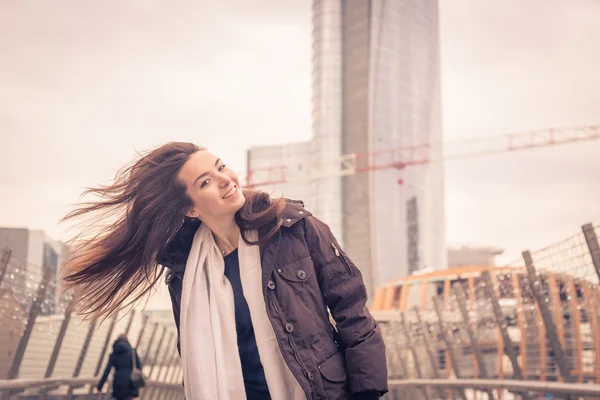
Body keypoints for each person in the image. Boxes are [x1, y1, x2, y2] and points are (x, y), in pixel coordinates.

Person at [62, 143, 388, 400]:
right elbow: (190, 351)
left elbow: (352, 311)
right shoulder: (184, 272)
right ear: (190, 208)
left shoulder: (293, 228)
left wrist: (367, 392)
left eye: (220, 167)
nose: (225, 180)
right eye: (206, 181)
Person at [96, 334, 142, 400]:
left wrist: (99, 387)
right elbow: (139, 367)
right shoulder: (133, 353)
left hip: (118, 383)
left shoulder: (113, 354)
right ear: (127, 340)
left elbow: (106, 371)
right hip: (130, 383)